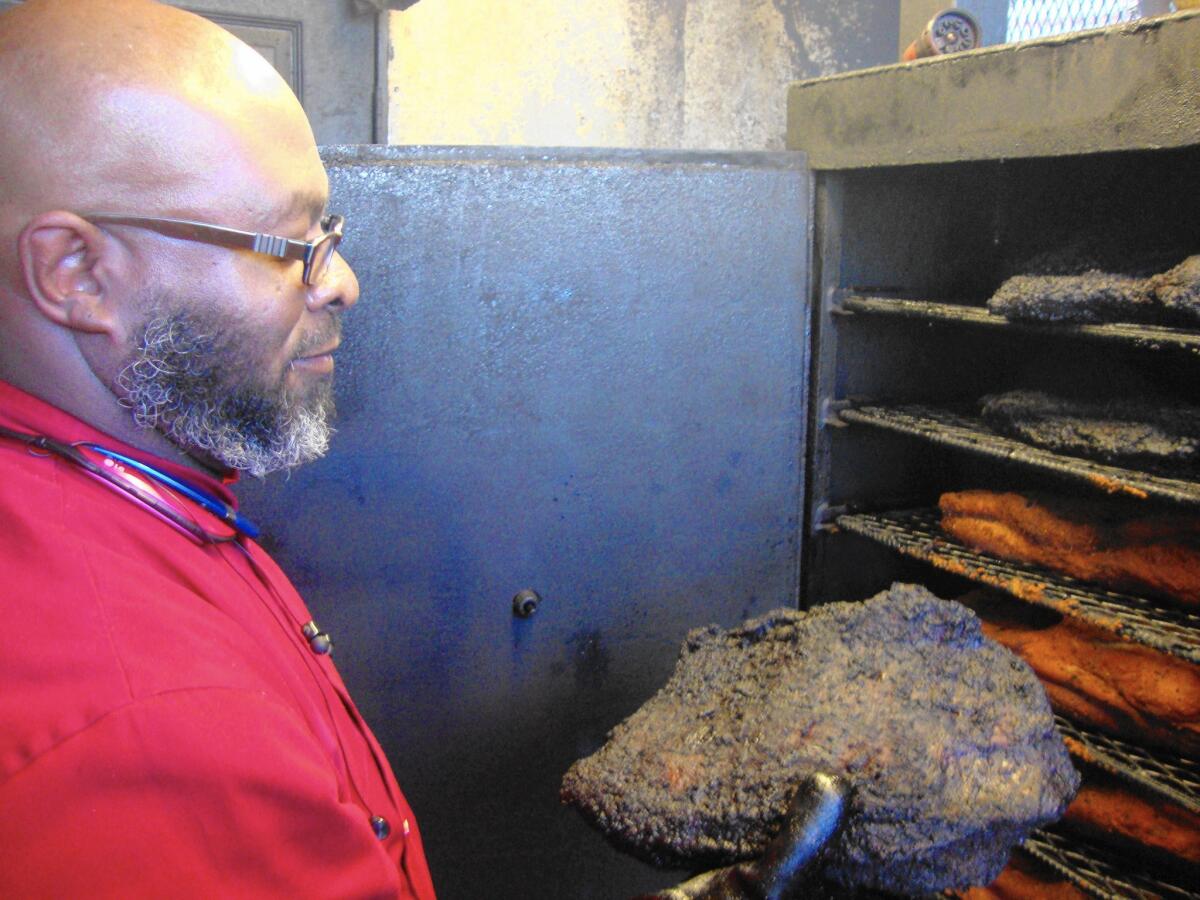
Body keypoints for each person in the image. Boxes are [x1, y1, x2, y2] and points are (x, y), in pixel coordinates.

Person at [0, 1, 435, 896]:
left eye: (331, 236)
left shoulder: (112, 472)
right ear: (77, 275)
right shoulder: (150, 739)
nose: (340, 282)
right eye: (287, 245)